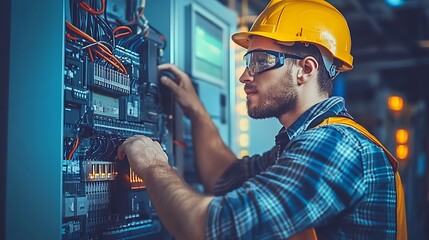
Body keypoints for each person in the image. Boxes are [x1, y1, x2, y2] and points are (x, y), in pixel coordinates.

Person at [117, 0, 407, 239]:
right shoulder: (302, 142)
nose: (245, 75)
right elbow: (225, 177)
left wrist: (153, 165)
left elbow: (208, 229)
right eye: (248, 62)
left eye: (260, 62)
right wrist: (196, 109)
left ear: (305, 70)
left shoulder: (335, 146)